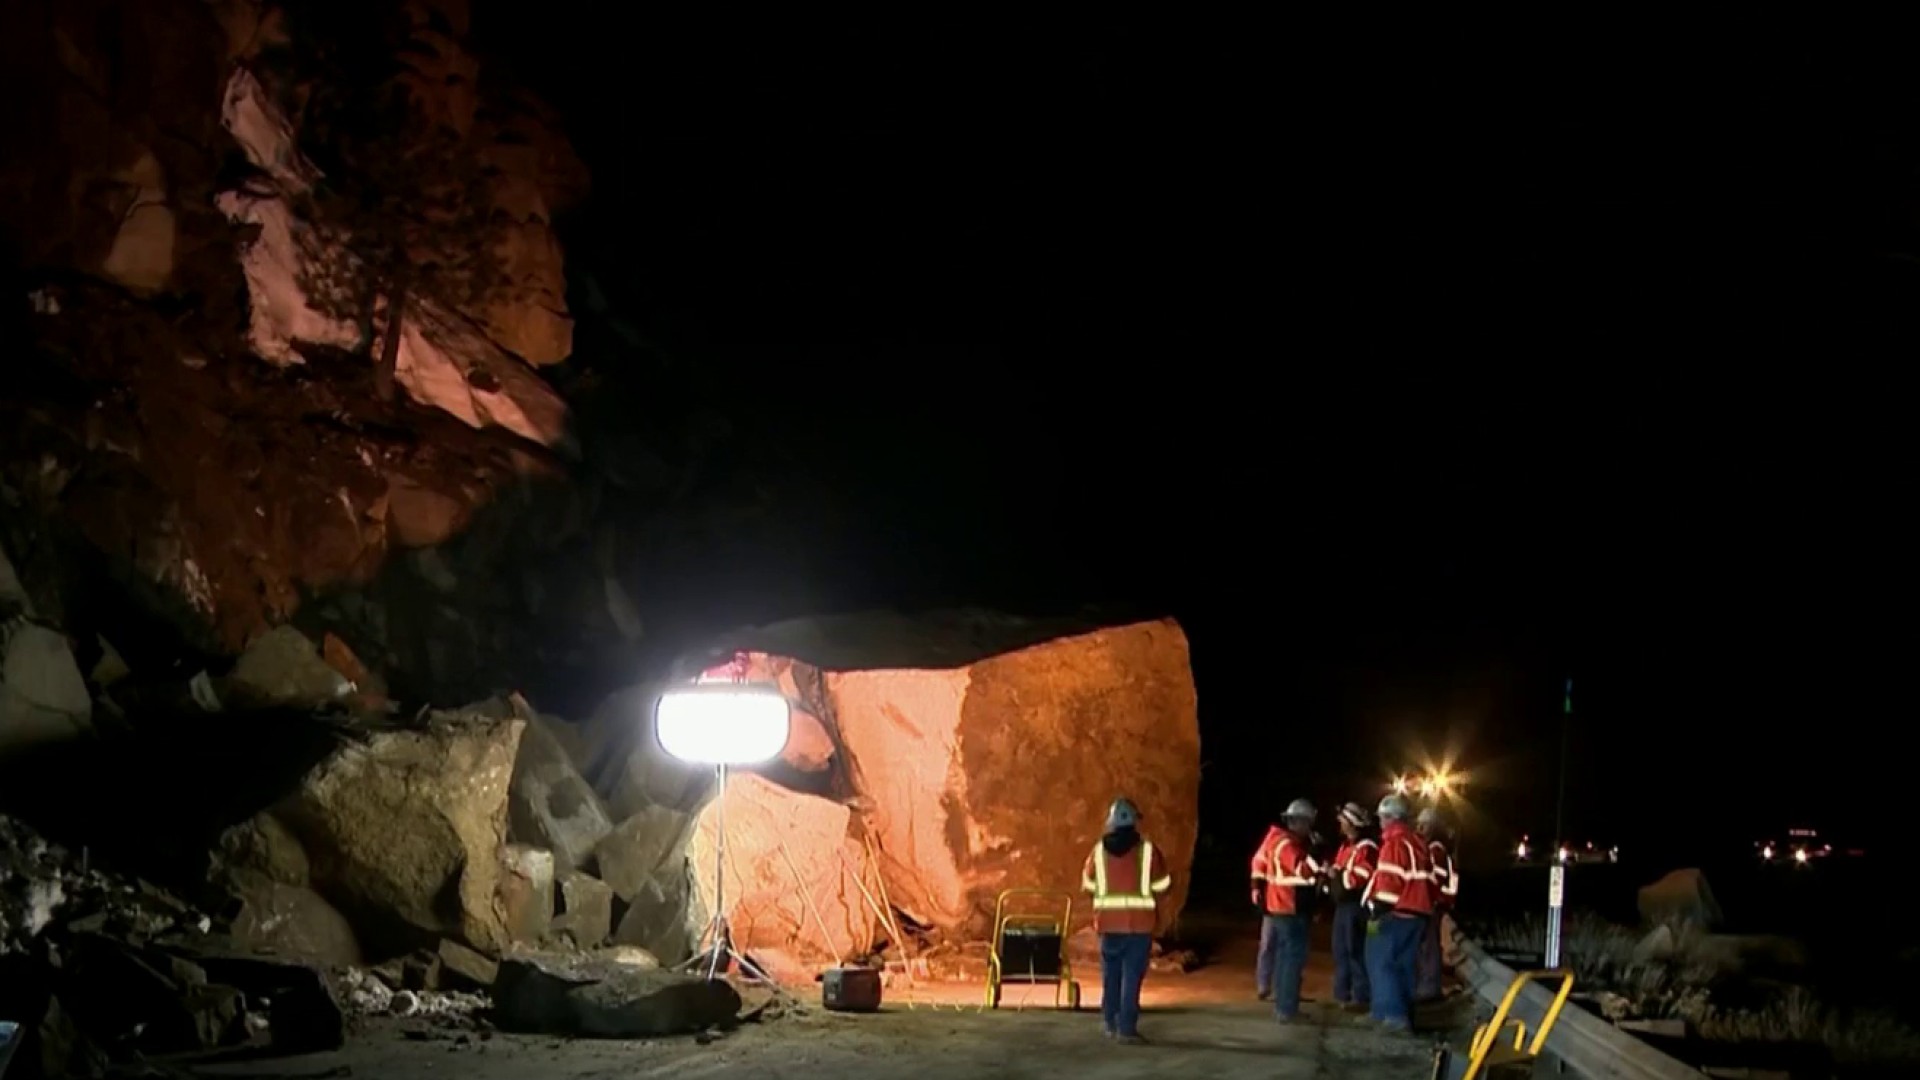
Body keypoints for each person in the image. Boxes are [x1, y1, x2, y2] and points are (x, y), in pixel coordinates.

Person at [1081, 796, 1172, 1044]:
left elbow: (1088, 884)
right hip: (1139, 925)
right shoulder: (1149, 851)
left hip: (1109, 924)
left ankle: (1109, 1021)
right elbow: (1163, 885)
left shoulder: (1098, 851)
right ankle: (1127, 1028)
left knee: (1111, 974)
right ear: (1134, 823)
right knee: (1132, 976)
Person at [1362, 792, 1435, 1034]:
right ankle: (1393, 1013)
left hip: (1395, 913)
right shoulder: (1417, 843)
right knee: (1403, 965)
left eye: (1382, 818)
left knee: (1381, 962)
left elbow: (1390, 884)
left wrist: (1376, 912)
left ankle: (1391, 1015)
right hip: (1417, 914)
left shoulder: (1393, 843)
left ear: (1392, 818)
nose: (1380, 822)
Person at [1251, 798, 1321, 1021]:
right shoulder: (1287, 845)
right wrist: (1317, 854)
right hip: (1289, 908)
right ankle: (1287, 1009)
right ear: (1300, 822)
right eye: (1308, 823)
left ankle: (1284, 1005)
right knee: (1292, 960)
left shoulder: (1279, 841)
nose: (1310, 828)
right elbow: (1303, 871)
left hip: (1282, 908)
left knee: (1284, 958)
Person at [1329, 801, 1378, 1012]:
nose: (1339, 824)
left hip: (1356, 907)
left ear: (1352, 823)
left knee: (1355, 951)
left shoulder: (1367, 848)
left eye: (1343, 821)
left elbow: (1360, 877)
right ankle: (1342, 994)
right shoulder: (1345, 847)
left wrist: (1337, 876)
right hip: (1342, 907)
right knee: (1340, 950)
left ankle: (1361, 996)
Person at [1415, 806, 1458, 1002]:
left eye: (1423, 825)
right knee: (1426, 946)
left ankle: (1430, 987)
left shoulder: (1435, 849)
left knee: (1429, 946)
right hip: (1435, 901)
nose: (1419, 829)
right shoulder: (1436, 848)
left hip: (1435, 902)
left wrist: (1428, 897)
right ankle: (1427, 985)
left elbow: (1437, 878)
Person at [1247, 818, 1286, 999]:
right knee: (1271, 944)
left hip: (1281, 902)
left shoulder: (1288, 839)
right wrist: (1256, 888)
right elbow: (1258, 863)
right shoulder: (1276, 839)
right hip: (1275, 901)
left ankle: (1278, 987)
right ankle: (1267, 986)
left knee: (1275, 945)